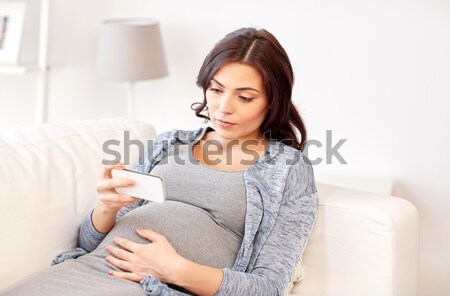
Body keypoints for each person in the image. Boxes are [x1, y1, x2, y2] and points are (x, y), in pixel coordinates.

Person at [1, 27, 319, 296]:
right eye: (216, 89)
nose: (223, 107)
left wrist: (175, 269)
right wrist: (107, 207)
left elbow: (269, 286)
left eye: (245, 97)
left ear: (273, 100)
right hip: (81, 273)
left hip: (154, 288)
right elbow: (87, 241)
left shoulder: (288, 169)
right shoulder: (169, 143)